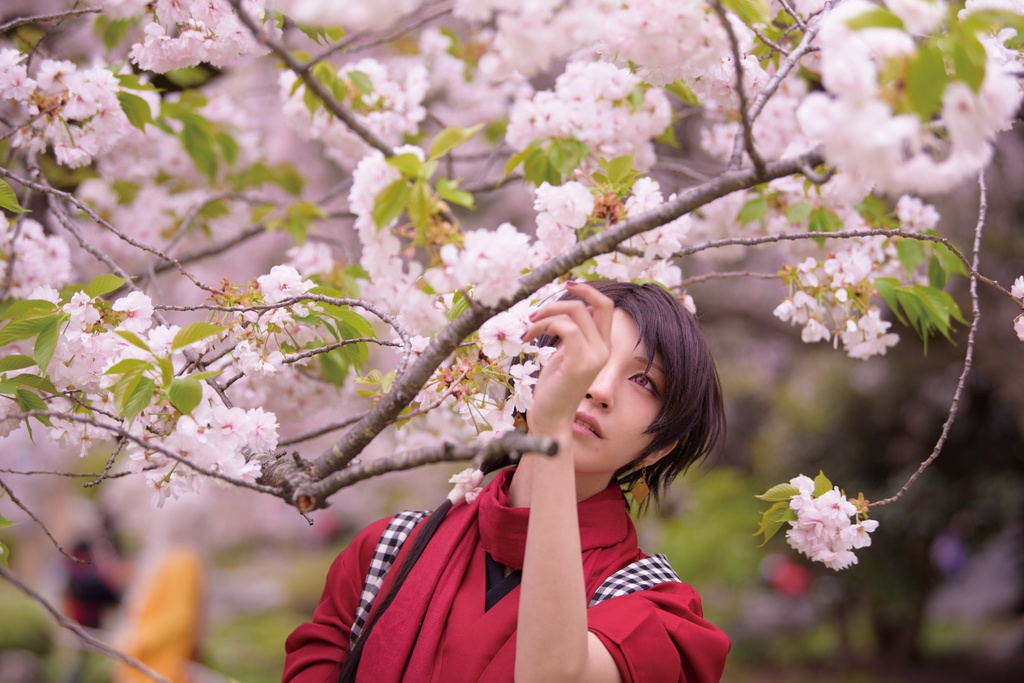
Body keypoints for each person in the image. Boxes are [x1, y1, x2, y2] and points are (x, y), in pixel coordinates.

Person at [283, 280, 731, 682]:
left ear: (659, 448)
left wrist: (553, 430)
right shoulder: (385, 552)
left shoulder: (657, 609)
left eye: (643, 380)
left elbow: (556, 675)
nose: (598, 388)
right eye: (586, 354)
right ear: (533, 364)